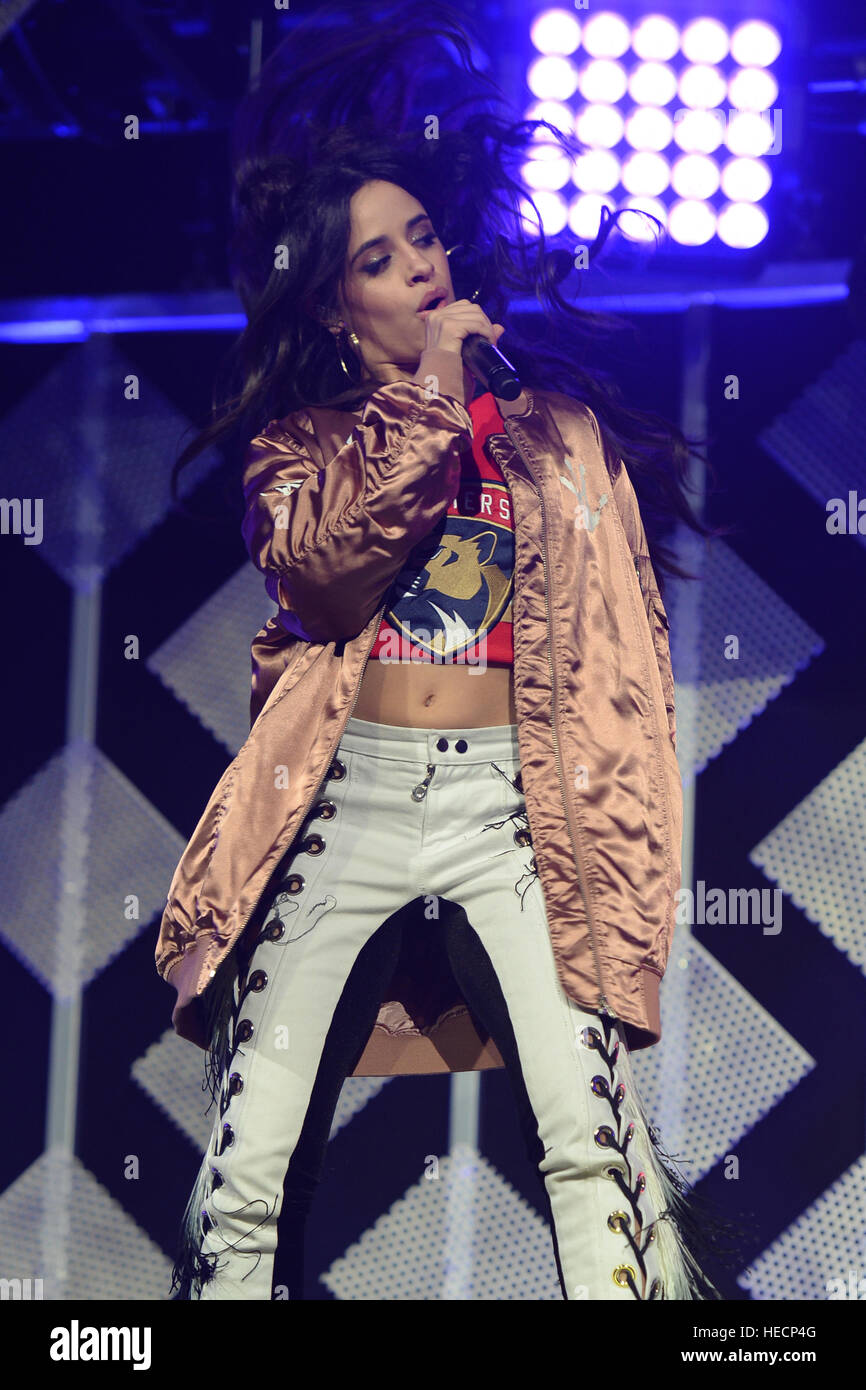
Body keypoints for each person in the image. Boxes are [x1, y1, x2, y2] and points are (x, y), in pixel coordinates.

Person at [157, 1, 740, 1301]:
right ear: (336, 305)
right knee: (249, 1169)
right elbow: (322, 570)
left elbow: (617, 649)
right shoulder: (301, 444)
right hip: (344, 799)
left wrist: (616, 823)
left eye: (423, 235)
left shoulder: (551, 432)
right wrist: (429, 395)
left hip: (509, 808)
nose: (419, 266)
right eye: (379, 258)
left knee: (595, 1144)